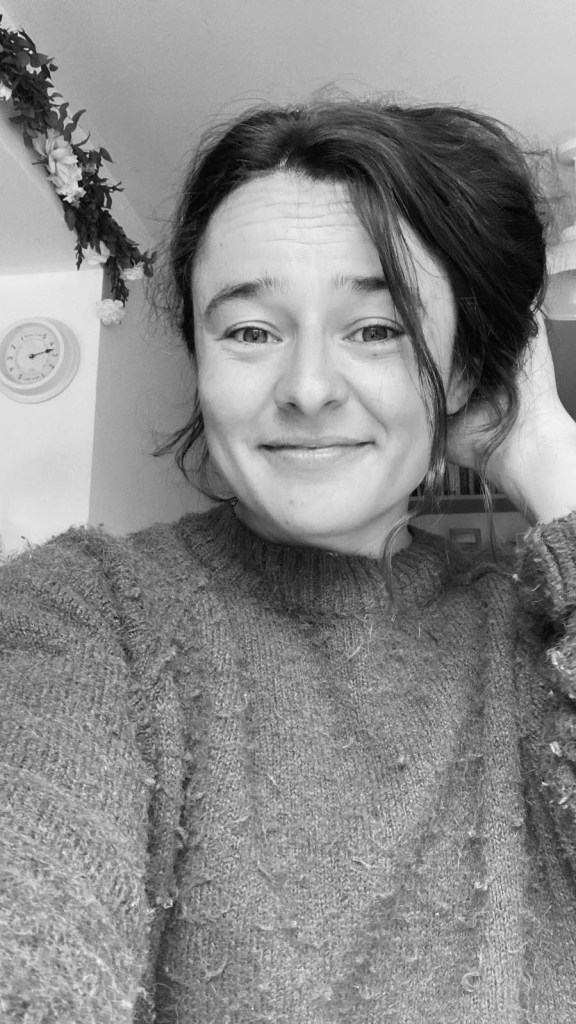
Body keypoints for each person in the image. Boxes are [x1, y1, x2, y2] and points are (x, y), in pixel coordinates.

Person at [2, 97, 576, 1024]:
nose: (307, 388)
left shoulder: (540, 645)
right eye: (250, 332)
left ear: (469, 370)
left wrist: (551, 453)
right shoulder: (83, 615)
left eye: (377, 328)